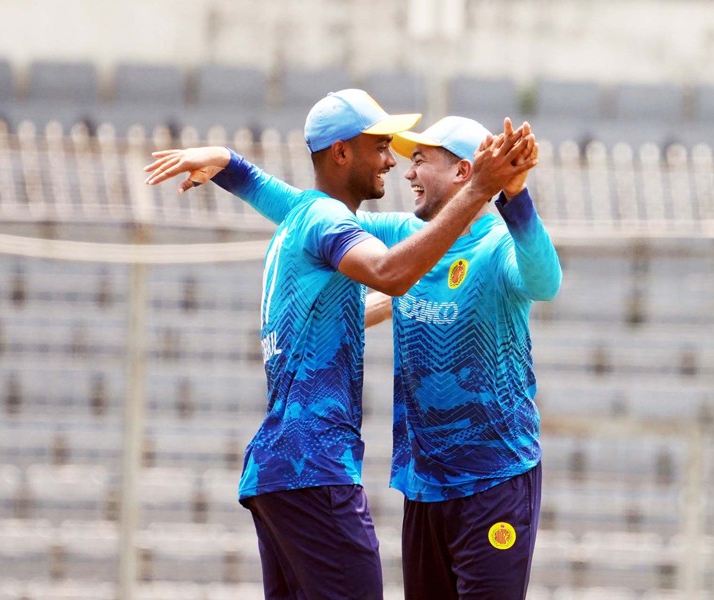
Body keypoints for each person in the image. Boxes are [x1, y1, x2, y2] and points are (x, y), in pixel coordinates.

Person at [144, 89, 537, 600]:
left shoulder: (302, 219)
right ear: (341, 153)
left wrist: (229, 165)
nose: (390, 161)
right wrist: (479, 188)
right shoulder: (328, 221)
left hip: (278, 473)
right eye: (378, 145)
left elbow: (375, 293)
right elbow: (391, 274)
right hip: (315, 469)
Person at [362, 116, 562, 600]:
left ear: (462, 172)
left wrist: (514, 194)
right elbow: (314, 221)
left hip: (493, 479)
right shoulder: (402, 233)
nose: (408, 174)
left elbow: (545, 283)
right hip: (425, 484)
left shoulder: (495, 247)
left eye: (420, 161)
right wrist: (231, 168)